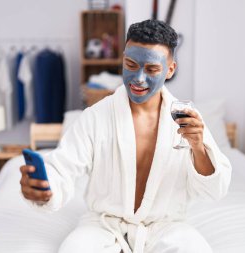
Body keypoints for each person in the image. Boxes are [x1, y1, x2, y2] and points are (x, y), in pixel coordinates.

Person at [20, 19, 232, 253]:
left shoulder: (188, 121)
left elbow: (214, 190)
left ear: (170, 69)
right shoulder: (96, 117)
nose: (139, 78)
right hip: (104, 225)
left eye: (151, 69)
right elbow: (63, 167)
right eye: (131, 65)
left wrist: (198, 147)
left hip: (165, 225)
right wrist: (44, 188)